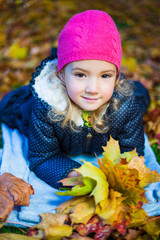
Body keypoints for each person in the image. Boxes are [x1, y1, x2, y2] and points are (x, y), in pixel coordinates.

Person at [0, 10, 154, 192]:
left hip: (117, 101)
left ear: (116, 76)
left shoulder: (126, 106)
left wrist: (123, 180)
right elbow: (43, 157)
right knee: (11, 107)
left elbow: (132, 155)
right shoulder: (45, 106)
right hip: (26, 109)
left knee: (138, 94)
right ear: (62, 74)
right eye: (80, 74)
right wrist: (79, 179)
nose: (93, 88)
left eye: (105, 75)